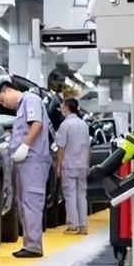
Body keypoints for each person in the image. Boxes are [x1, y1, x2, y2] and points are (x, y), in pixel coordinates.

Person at [0, 81, 53, 258]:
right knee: (24, 202)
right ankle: (30, 244)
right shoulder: (22, 106)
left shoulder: (30, 99)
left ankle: (33, 246)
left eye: (3, 100)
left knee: (31, 201)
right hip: (26, 162)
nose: (5, 105)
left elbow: (37, 124)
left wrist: (25, 146)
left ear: (9, 90)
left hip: (33, 160)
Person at [55, 98, 91, 235]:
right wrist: (87, 164)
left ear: (67, 107)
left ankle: (72, 224)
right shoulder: (83, 125)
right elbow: (88, 147)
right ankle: (83, 225)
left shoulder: (65, 125)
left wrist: (59, 165)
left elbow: (61, 147)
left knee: (70, 194)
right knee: (82, 195)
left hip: (69, 165)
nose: (61, 108)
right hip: (82, 165)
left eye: (63, 105)